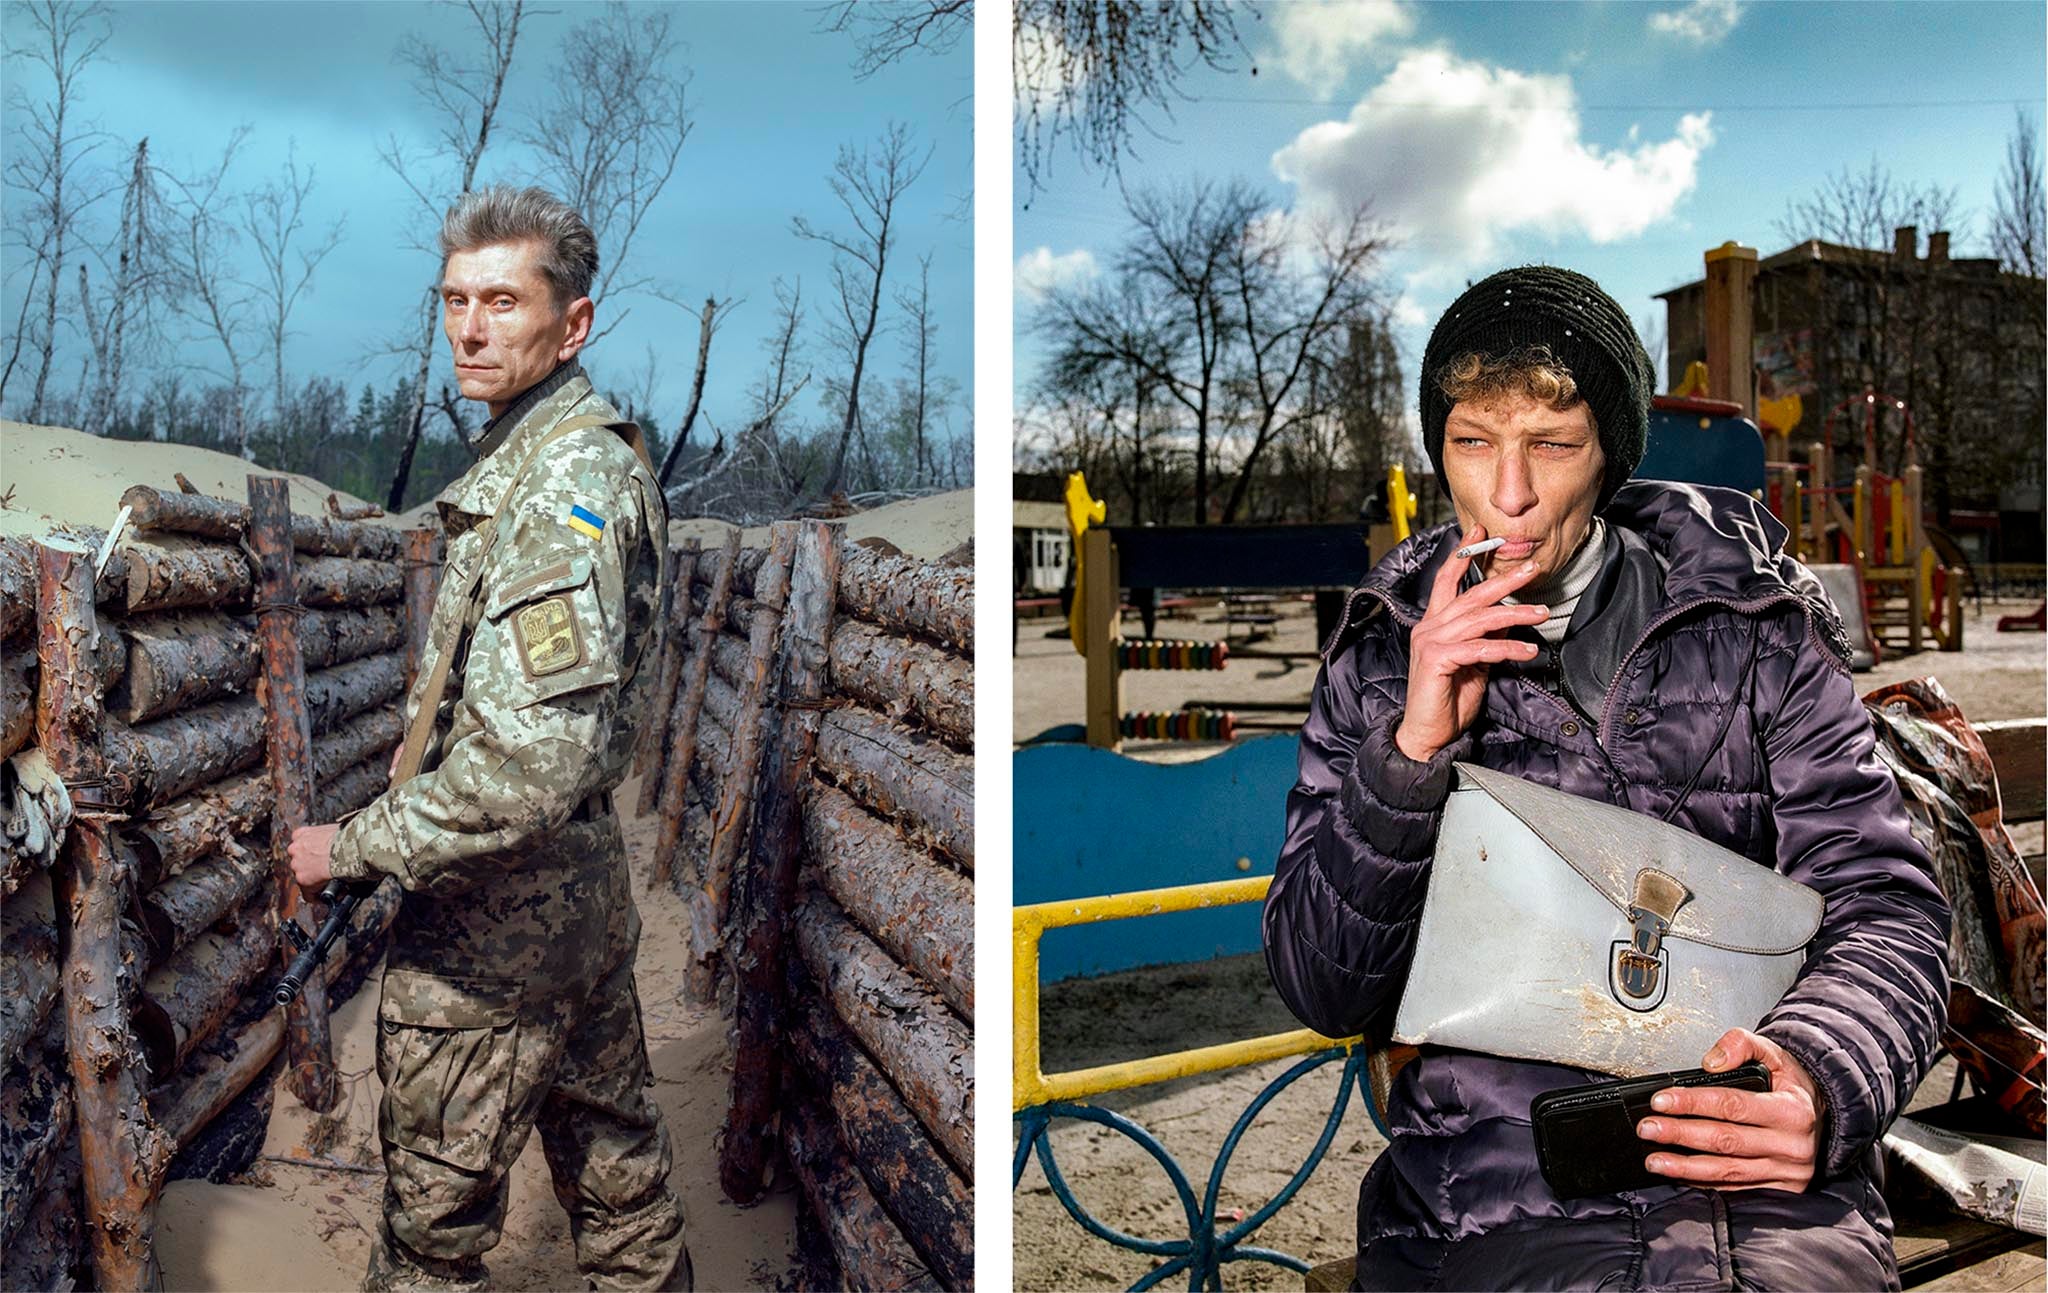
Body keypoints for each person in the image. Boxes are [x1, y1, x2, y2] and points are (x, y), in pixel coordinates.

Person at [1262, 266, 1951, 1291]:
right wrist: (1406, 757)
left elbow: (1883, 904)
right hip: (1487, 1195)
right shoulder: (1379, 651)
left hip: (1759, 1186)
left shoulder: (1751, 623)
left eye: (1551, 443)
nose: (1507, 493)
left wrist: (1821, 1073)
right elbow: (1319, 988)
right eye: (1470, 442)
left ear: (1610, 452)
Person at [288, 185, 689, 1293]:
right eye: (455, 299)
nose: (469, 327)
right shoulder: (555, 460)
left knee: (431, 1239)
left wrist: (355, 845)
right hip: (573, 905)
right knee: (621, 1189)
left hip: (494, 939)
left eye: (503, 300)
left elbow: (528, 763)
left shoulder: (563, 481)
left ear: (574, 323)